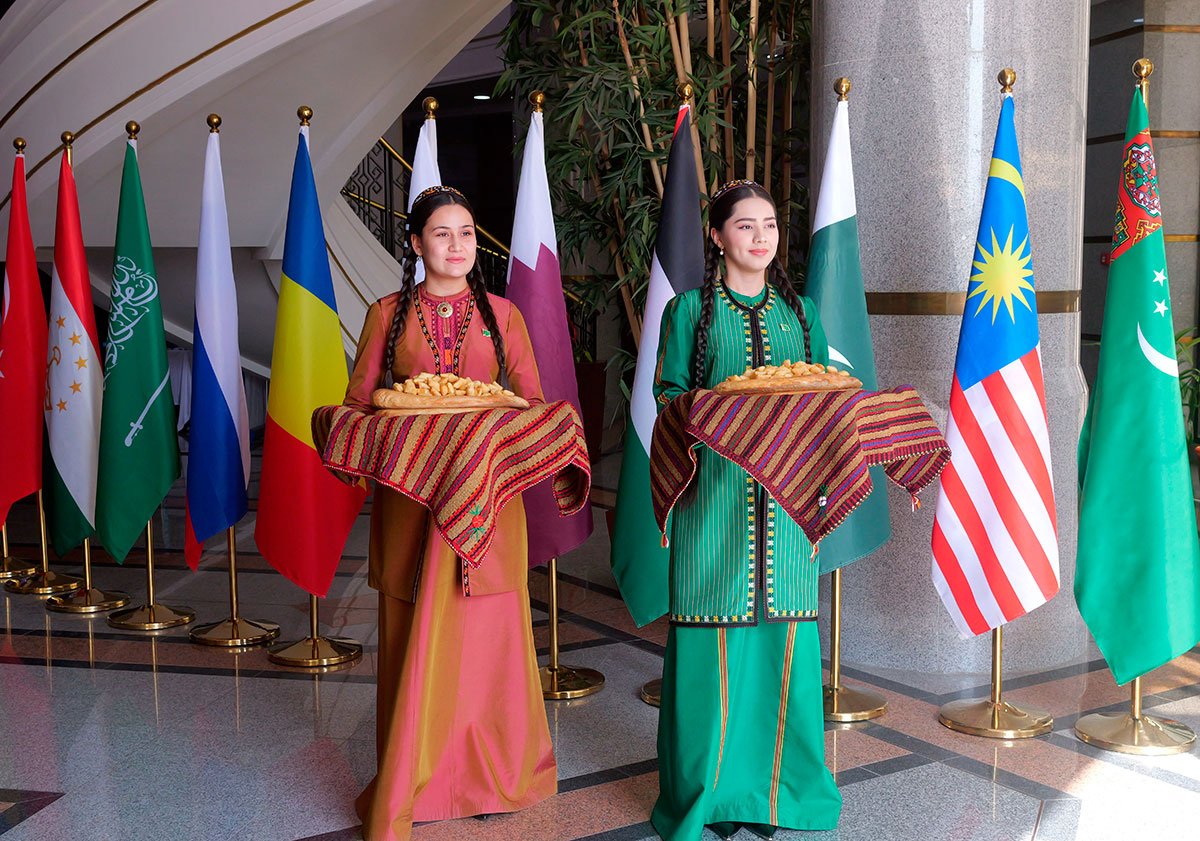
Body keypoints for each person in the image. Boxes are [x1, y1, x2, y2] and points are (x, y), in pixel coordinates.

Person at [345, 185, 554, 841]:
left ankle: (493, 778)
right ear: (415, 243)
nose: (457, 245)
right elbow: (357, 406)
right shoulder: (386, 314)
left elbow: (532, 403)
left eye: (466, 233)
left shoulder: (504, 316)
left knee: (487, 642)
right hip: (412, 507)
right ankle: (417, 784)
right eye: (442, 233)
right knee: (414, 640)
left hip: (489, 507)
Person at [651, 180, 843, 841]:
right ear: (716, 235)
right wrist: (716, 413)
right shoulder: (688, 311)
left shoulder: (802, 314)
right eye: (744, 225)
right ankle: (707, 796)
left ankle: (779, 795)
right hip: (713, 504)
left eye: (770, 225)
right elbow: (668, 399)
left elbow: (825, 400)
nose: (761, 237)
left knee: (782, 647)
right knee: (712, 652)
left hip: (788, 511)